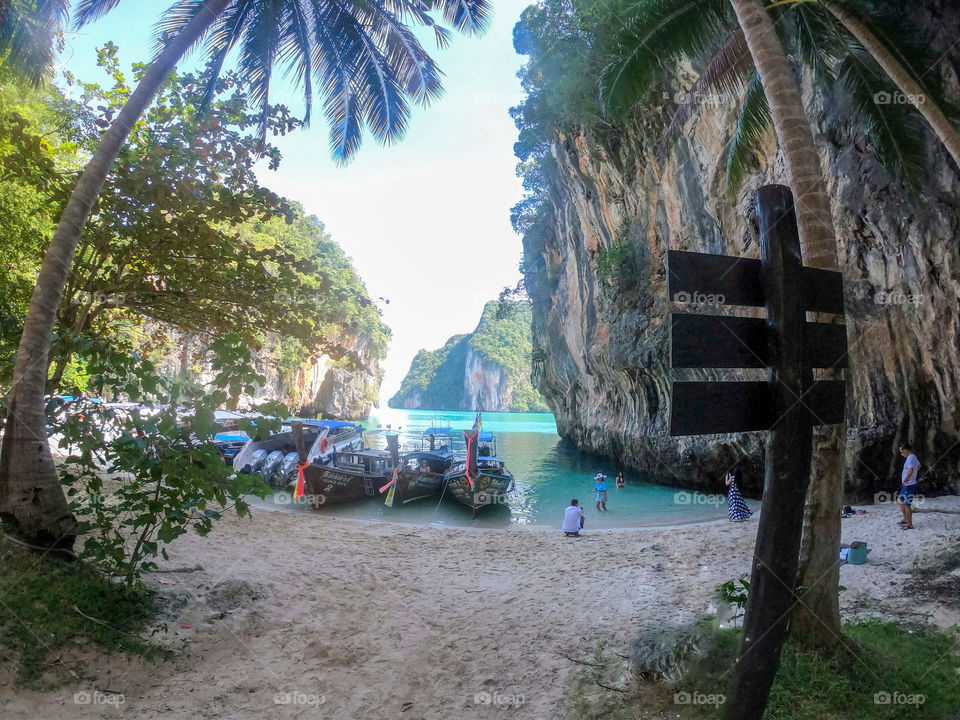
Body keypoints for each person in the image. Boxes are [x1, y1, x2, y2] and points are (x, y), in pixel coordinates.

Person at [897, 443, 921, 530]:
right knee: (900, 500)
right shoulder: (913, 457)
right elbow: (919, 466)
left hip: (909, 485)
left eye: (901, 451)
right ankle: (905, 519)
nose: (901, 453)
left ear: (906, 450)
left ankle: (909, 524)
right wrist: (914, 475)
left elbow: (910, 470)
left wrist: (907, 479)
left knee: (907, 504)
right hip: (908, 485)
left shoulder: (910, 458)